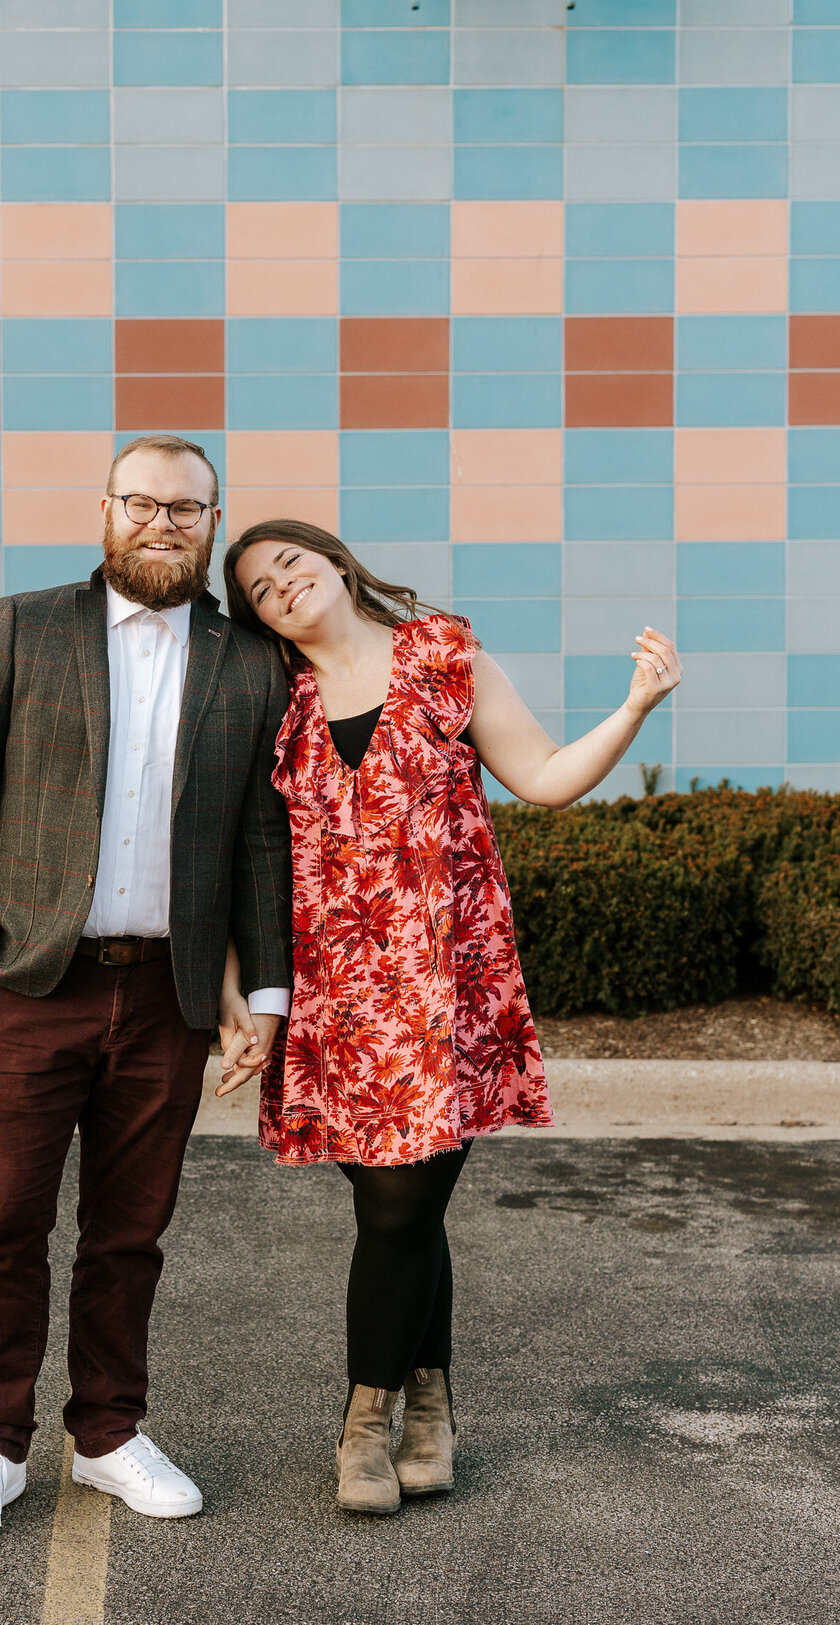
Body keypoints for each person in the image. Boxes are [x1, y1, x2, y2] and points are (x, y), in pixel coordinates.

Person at [221, 520, 682, 1516]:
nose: (283, 584)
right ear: (256, 618)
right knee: (402, 1211)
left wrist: (636, 705)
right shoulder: (273, 703)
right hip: (334, 1002)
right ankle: (431, 1402)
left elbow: (549, 778)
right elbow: (241, 860)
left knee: (399, 1206)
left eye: (293, 562)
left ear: (338, 565)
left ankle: (365, 1424)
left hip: (446, 992)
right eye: (260, 586)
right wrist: (239, 996)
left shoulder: (443, 654)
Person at [0, 434, 291, 1544]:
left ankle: (107, 1436)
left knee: (129, 1235)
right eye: (144, 502)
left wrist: (263, 994)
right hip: (27, 986)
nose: (163, 523)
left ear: (213, 522)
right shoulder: (26, 624)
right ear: (106, 509)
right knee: (5, 1226)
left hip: (167, 997)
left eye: (187, 509)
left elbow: (264, 839)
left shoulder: (250, 660)